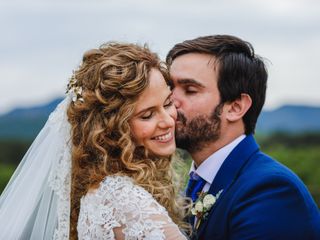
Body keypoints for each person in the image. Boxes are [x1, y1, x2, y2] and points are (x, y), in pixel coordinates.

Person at [0, 42, 190, 239]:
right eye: (147, 115)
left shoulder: (100, 190)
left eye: (168, 103)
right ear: (111, 129)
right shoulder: (124, 200)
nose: (168, 121)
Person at [166, 35, 320, 239]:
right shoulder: (197, 182)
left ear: (235, 107)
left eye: (190, 90)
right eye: (169, 88)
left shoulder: (271, 191)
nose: (170, 101)